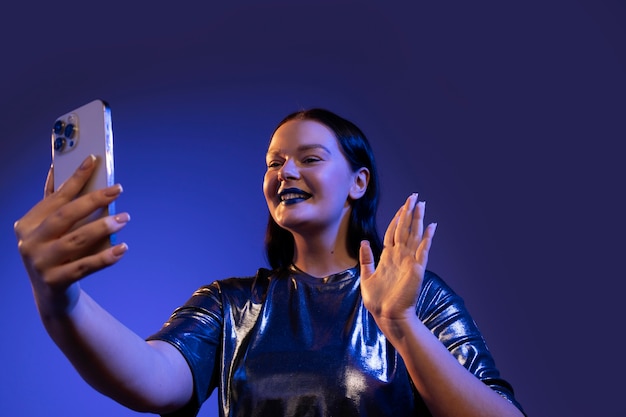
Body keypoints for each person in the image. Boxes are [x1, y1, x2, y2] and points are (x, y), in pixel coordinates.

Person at [14, 108, 525, 417]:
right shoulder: (231, 305)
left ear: (358, 183)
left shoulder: (417, 300)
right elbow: (151, 378)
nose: (286, 172)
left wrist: (401, 325)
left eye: (309, 158)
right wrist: (60, 299)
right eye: (274, 162)